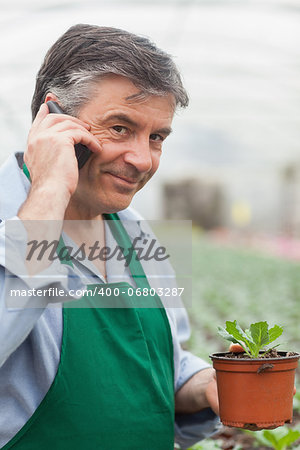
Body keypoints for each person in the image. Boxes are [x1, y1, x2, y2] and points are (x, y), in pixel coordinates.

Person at [0, 24, 220, 449]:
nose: (142, 159)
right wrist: (48, 191)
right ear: (53, 120)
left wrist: (205, 385)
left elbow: (160, 375)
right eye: (120, 127)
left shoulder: (139, 235)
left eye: (156, 137)